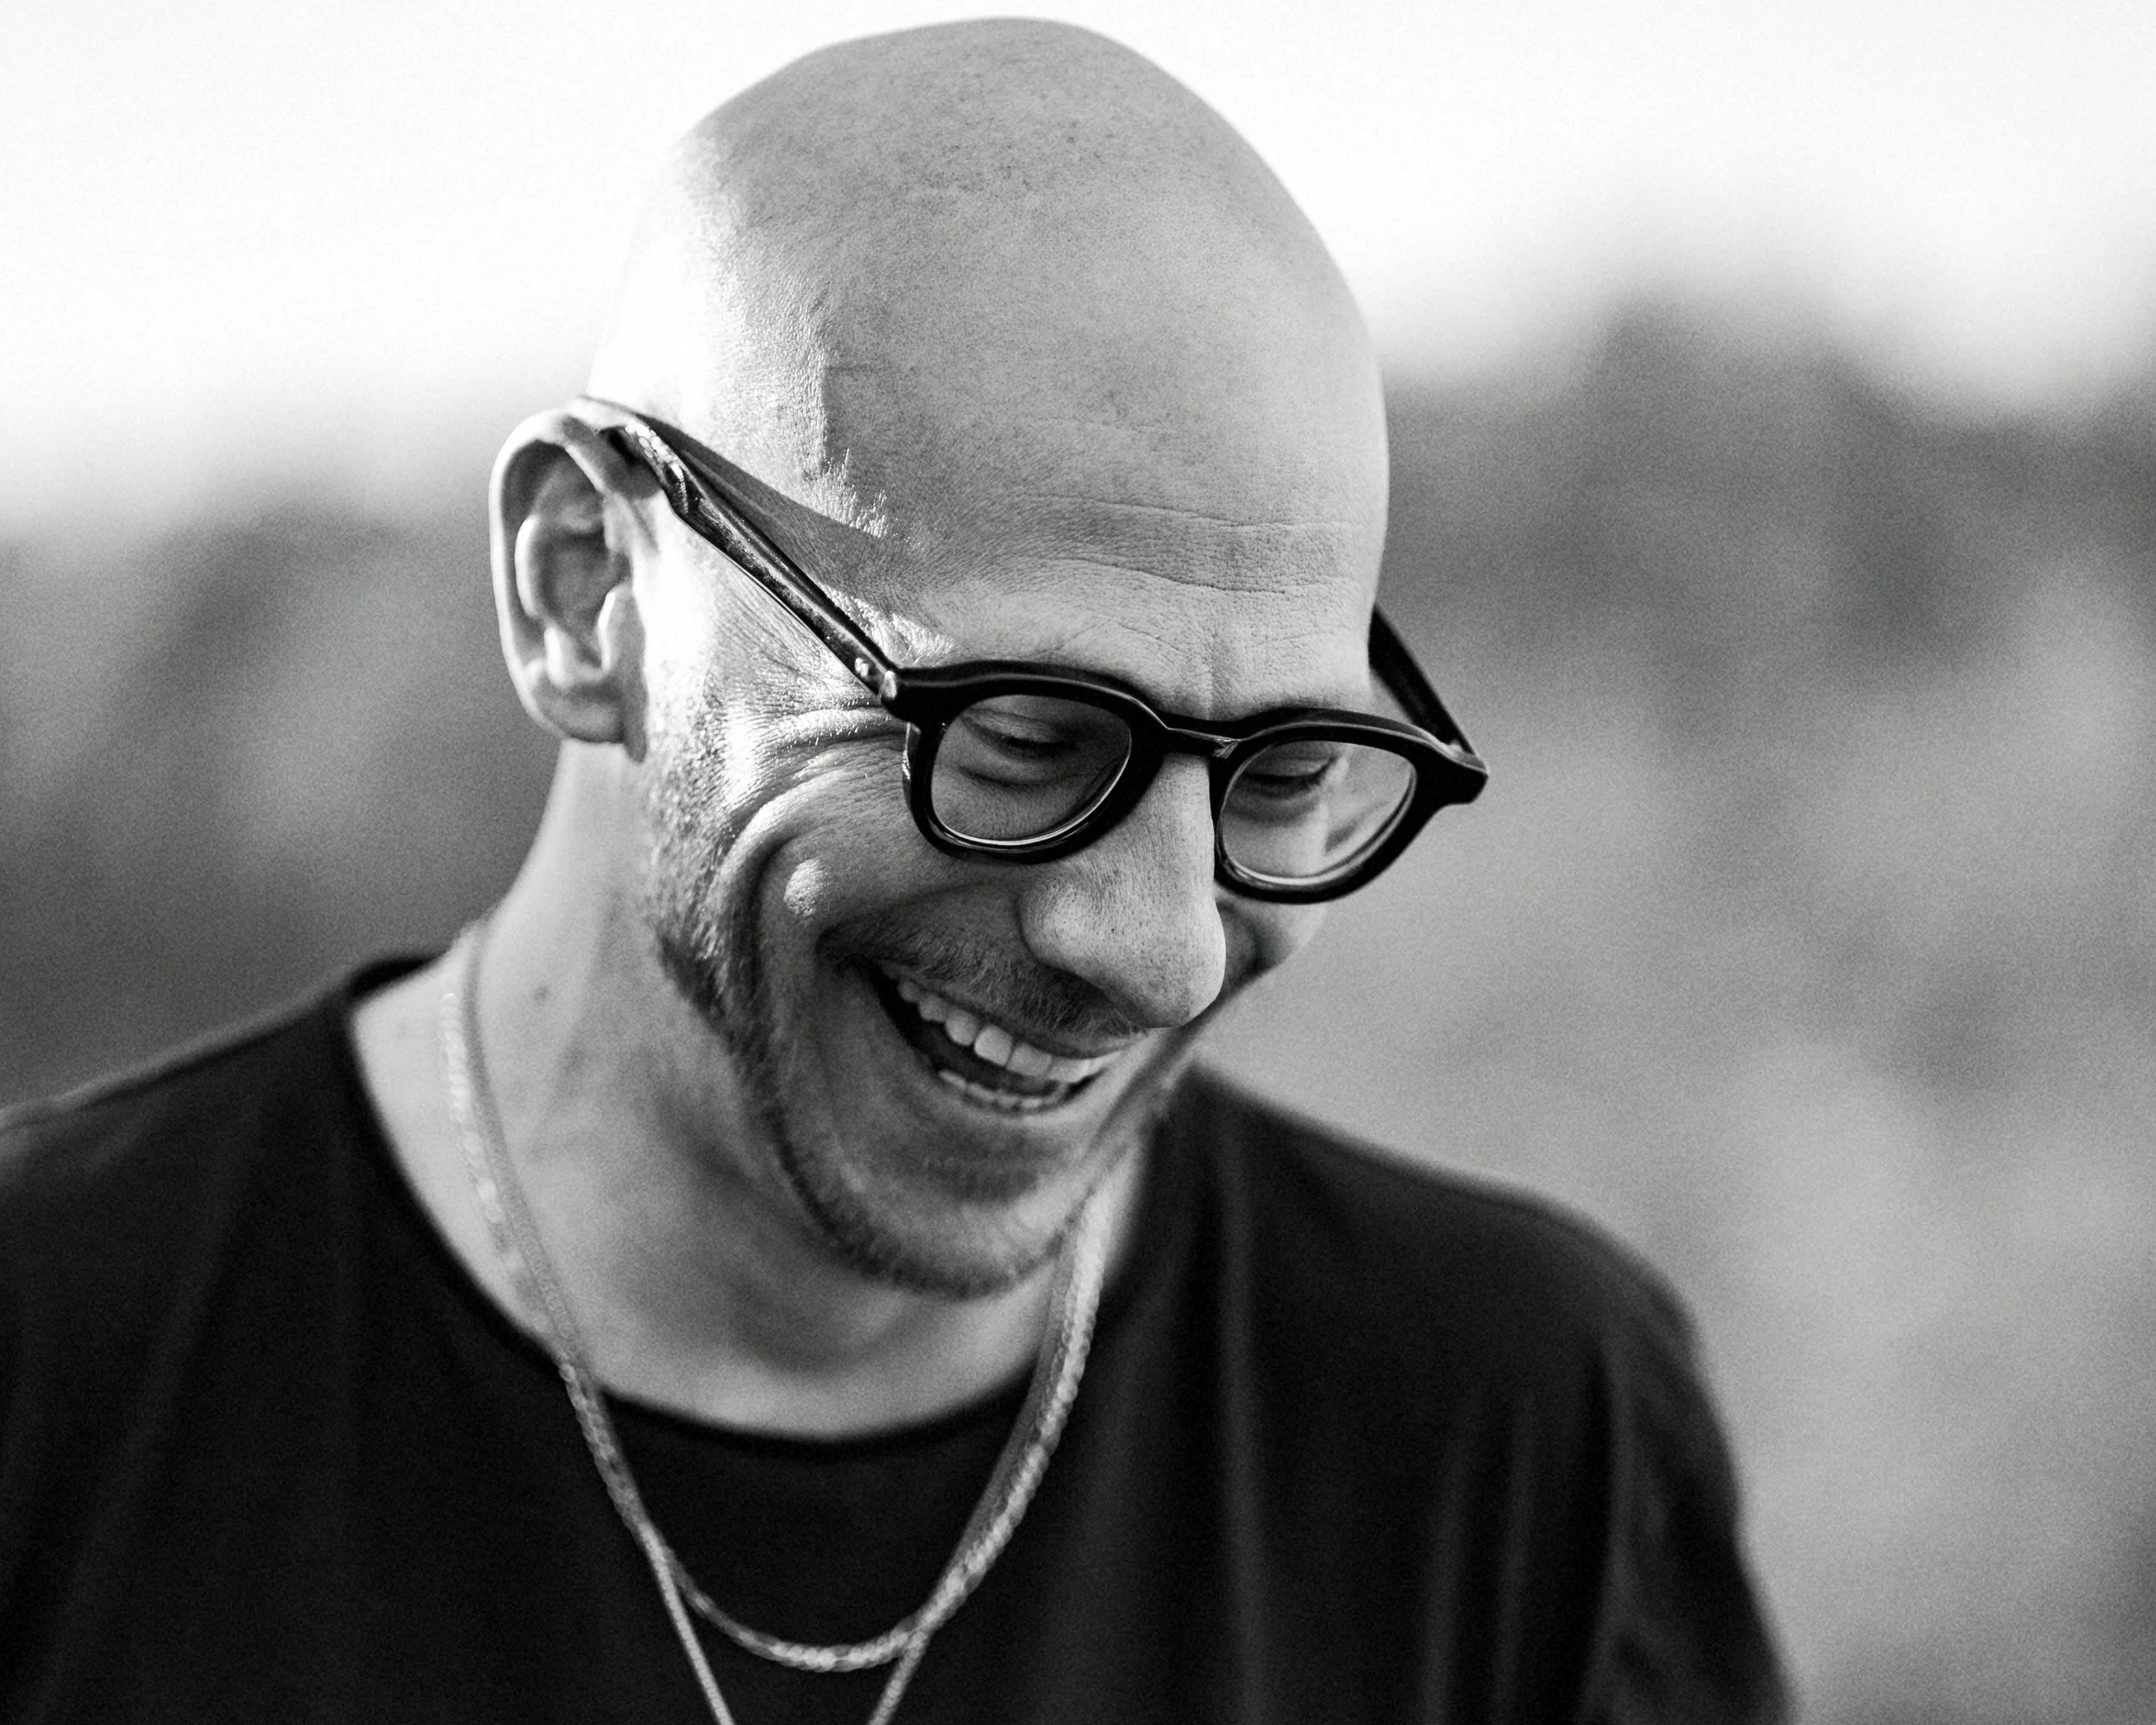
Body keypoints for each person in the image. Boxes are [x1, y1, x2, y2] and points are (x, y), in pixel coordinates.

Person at [0, 19, 1784, 1724]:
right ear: (587, 590)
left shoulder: (1515, 1438)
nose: (1161, 951)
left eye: (1286, 771)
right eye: (1024, 736)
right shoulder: (54, 1369)